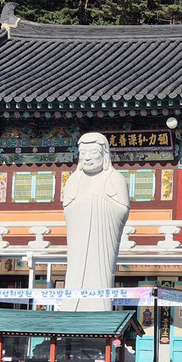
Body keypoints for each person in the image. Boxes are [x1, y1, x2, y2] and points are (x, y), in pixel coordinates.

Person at [62, 132, 130, 310]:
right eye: (83, 153)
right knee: (74, 270)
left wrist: (97, 203)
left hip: (102, 239)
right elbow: (68, 209)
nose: (87, 158)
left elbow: (122, 209)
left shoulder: (115, 178)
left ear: (104, 153)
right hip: (79, 239)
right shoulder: (73, 180)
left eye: (93, 152)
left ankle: (99, 308)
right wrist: (86, 204)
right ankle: (71, 308)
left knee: (100, 274)